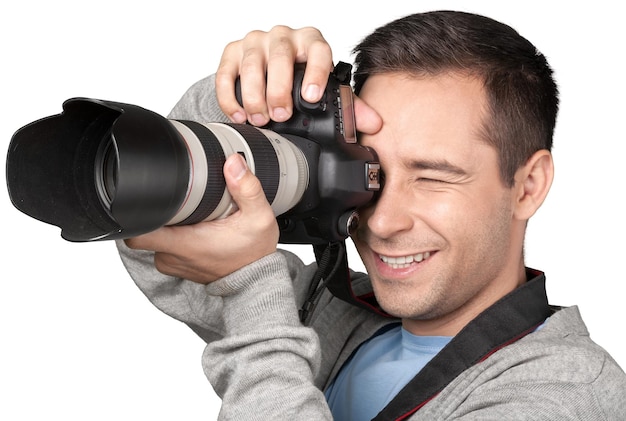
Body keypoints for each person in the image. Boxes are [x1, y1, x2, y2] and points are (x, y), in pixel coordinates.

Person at [117, 10, 626, 420]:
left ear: (528, 186)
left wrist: (252, 287)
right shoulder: (340, 312)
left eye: (432, 176)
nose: (381, 222)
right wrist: (237, 101)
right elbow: (154, 239)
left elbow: (253, 296)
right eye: (371, 170)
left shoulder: (565, 394)